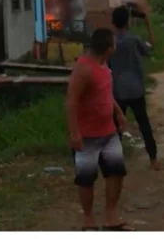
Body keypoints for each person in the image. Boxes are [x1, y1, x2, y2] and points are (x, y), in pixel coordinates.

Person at [66, 28, 132, 231]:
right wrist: (75, 133)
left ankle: (110, 216)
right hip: (87, 136)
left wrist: (119, 113)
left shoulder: (103, 64)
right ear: (109, 47)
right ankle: (88, 219)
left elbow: (105, 92)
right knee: (86, 179)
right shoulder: (83, 68)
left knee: (116, 173)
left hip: (109, 132)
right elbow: (71, 102)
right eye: (114, 42)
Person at [107, 6, 159, 170]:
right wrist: (148, 23)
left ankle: (114, 162)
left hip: (117, 91)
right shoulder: (134, 40)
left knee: (116, 128)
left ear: (113, 22)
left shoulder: (110, 42)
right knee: (144, 124)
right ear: (128, 21)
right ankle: (153, 159)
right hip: (135, 89)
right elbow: (151, 45)